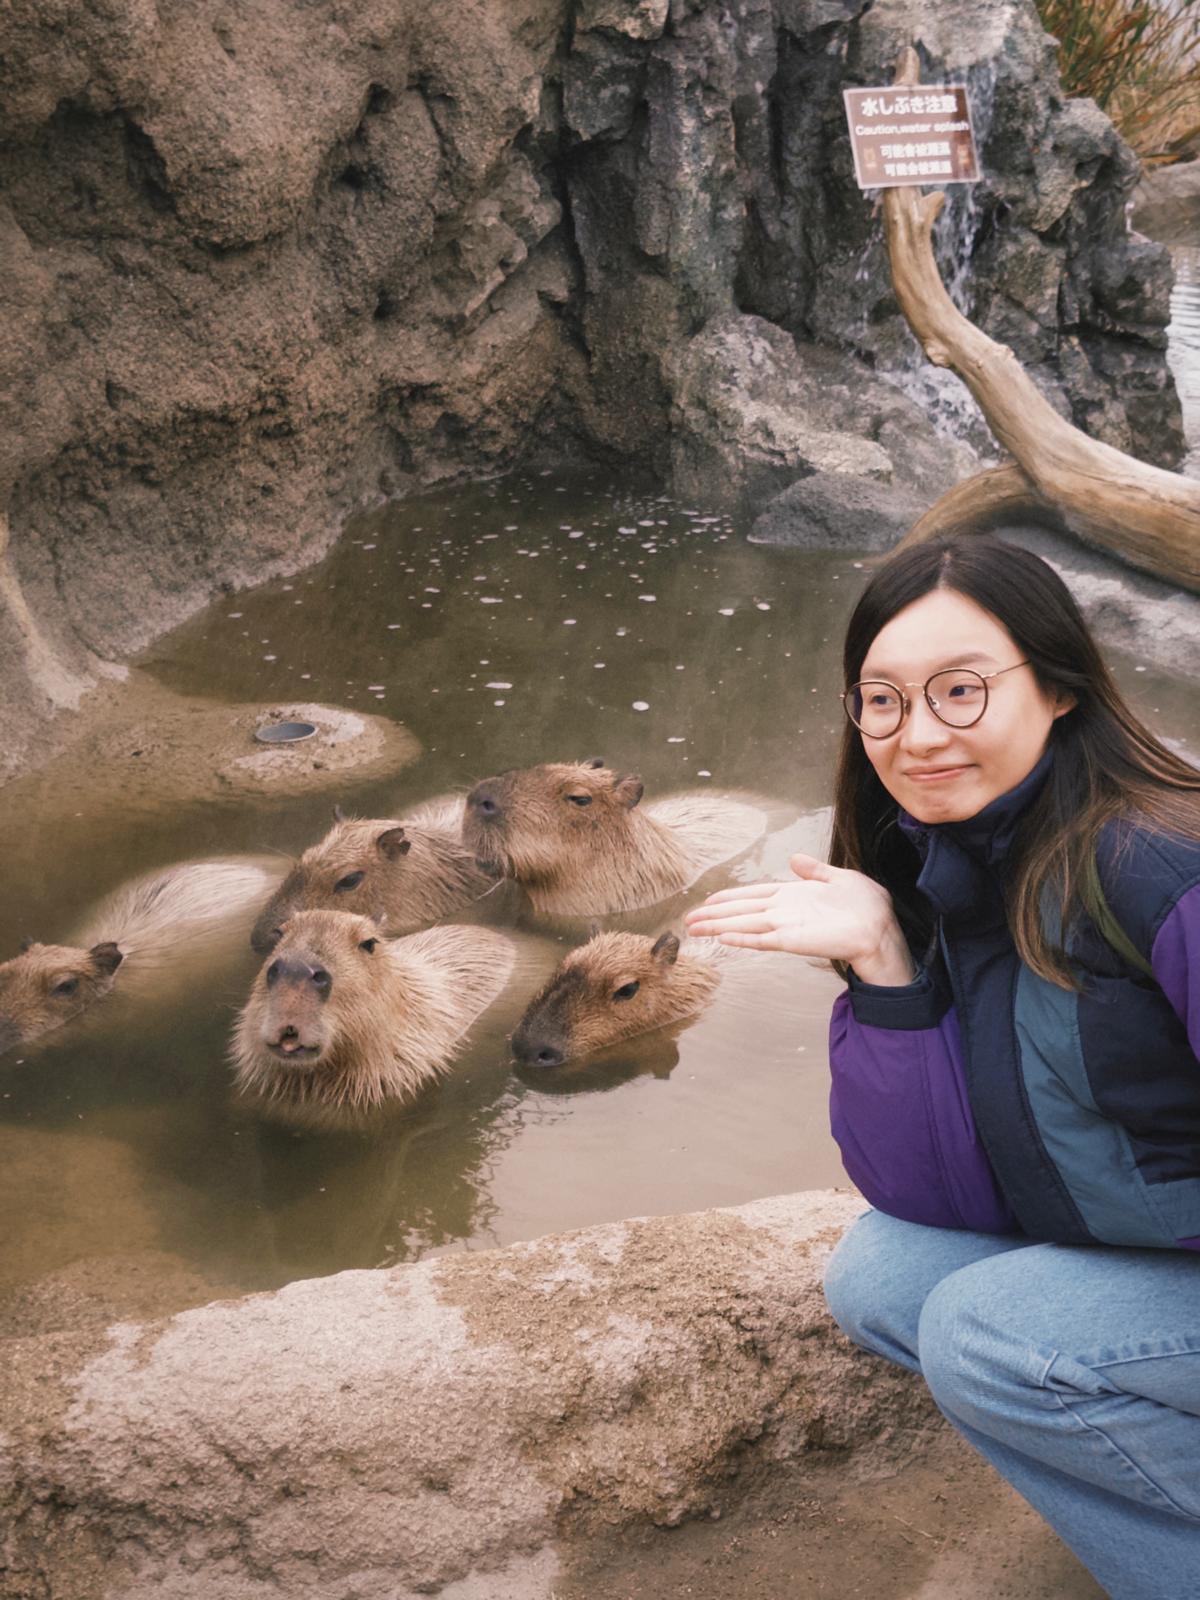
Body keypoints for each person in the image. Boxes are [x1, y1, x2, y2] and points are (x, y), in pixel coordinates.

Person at [684, 534, 1200, 1599]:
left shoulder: (1156, 863)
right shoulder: (963, 866)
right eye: (881, 700)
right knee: (886, 1278)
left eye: (960, 692)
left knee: (990, 1335)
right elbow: (939, 1197)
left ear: (1059, 687)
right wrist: (883, 965)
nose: (915, 735)